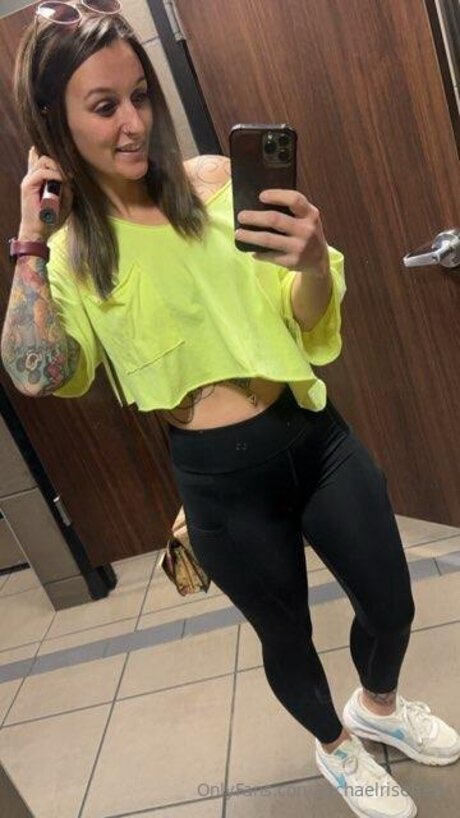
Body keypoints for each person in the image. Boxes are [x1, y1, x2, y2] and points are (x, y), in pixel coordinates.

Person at [2, 6, 459, 818]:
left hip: (313, 438)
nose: (134, 122)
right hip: (219, 483)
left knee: (392, 604)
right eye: (103, 106)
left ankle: (377, 708)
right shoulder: (71, 252)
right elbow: (38, 374)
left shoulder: (216, 183)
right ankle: (336, 747)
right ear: (54, 124)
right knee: (285, 635)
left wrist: (311, 260)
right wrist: (30, 242)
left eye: (140, 96)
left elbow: (307, 320)